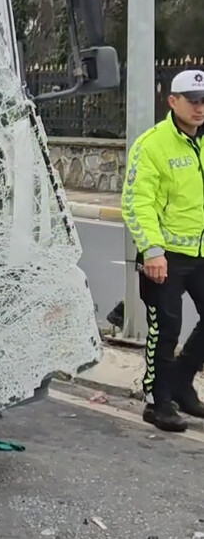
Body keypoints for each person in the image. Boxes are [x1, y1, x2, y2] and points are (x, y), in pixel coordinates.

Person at [121, 68, 204, 432]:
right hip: (164, 256)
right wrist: (152, 251)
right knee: (165, 328)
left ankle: (182, 384)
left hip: (200, 252)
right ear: (173, 101)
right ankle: (158, 400)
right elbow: (137, 202)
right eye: (193, 101)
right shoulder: (152, 144)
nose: (200, 108)